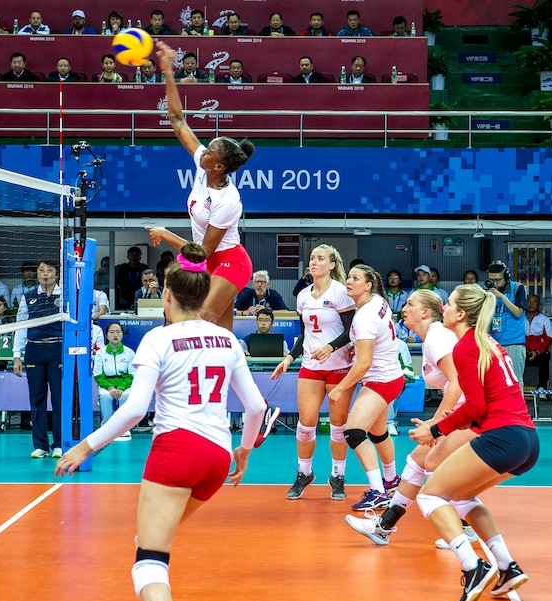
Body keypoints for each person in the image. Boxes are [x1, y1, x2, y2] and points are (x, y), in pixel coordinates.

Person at [55, 243, 266, 601]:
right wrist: (245, 451)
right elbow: (255, 406)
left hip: (176, 451)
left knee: (149, 560)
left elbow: (134, 409)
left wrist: (86, 445)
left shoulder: (157, 339)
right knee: (149, 547)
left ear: (166, 296)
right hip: (216, 456)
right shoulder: (228, 340)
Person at [404, 284, 537, 601]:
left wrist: (435, 429)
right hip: (527, 440)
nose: (443, 308)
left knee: (430, 495)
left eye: (448, 304)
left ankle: (472, 567)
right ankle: (507, 566)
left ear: (461, 314)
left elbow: (475, 406)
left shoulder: (466, 347)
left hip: (502, 436)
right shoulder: (489, 343)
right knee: (461, 497)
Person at [345, 289, 479, 546]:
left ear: (425, 312)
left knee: (428, 465)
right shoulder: (434, 337)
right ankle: (384, 526)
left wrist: (436, 426)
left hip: (469, 413)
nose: (404, 308)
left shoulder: (437, 337)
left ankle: (464, 529)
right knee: (421, 463)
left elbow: (457, 382)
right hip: (462, 412)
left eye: (410, 304)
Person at [145, 40, 255, 333]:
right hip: (207, 263)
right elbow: (177, 120)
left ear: (219, 166)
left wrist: (166, 234)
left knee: (198, 323)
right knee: (221, 335)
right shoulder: (202, 166)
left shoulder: (228, 199)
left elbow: (202, 253)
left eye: (209, 153)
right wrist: (168, 70)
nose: (202, 152)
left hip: (230, 261)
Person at [271, 244, 355, 501]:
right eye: (312, 258)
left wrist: (331, 347)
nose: (314, 262)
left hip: (339, 367)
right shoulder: (303, 296)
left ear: (331, 265)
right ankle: (304, 472)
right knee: (306, 425)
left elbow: (352, 331)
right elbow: (304, 333)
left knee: (338, 427)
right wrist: (289, 357)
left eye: (320, 258)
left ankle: (337, 476)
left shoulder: (341, 292)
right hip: (311, 367)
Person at [326, 264, 404, 511]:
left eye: (356, 278)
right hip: (390, 376)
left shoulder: (364, 315)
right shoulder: (378, 302)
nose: (349, 281)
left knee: (354, 432)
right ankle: (391, 480)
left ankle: (379, 492)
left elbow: (364, 363)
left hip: (380, 379)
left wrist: (340, 389)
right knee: (378, 433)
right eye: (349, 277)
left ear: (368, 285)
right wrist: (356, 345)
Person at [13, 259, 64, 459]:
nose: (45, 274)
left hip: (57, 349)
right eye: (41, 270)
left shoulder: (65, 297)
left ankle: (59, 444)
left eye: (49, 271)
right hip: (34, 350)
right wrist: (17, 355)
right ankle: (40, 445)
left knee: (59, 399)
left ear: (56, 275)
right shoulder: (29, 297)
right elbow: (20, 326)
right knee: (37, 399)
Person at [484, 260, 528, 376]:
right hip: (493, 343)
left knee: (515, 380)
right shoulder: (488, 292)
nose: (495, 284)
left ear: (506, 277)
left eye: (498, 280)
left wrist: (501, 297)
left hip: (514, 343)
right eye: (491, 280)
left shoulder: (517, 288)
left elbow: (518, 312)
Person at [93, 320, 134, 440]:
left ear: (122, 334)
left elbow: (132, 374)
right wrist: (110, 388)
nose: (115, 335)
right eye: (112, 332)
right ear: (106, 335)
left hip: (124, 385)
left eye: (118, 332)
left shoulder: (129, 353)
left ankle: (124, 428)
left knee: (126, 395)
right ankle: (106, 428)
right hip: (107, 385)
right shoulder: (101, 353)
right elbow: (98, 375)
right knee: (105, 396)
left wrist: (121, 387)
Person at [524, 293, 552, 393]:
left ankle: (542, 387)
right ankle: (516, 387)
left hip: (539, 353)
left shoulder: (544, 320)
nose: (531, 304)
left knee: (545, 356)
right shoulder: (519, 319)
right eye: (528, 301)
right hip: (523, 351)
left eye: (534, 302)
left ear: (539, 304)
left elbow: (548, 339)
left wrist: (536, 352)